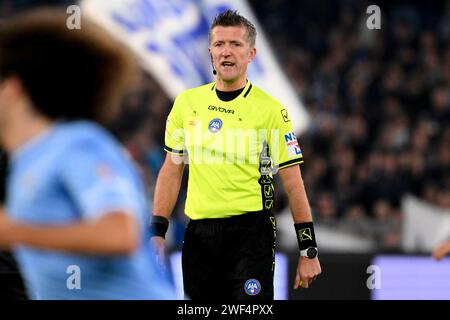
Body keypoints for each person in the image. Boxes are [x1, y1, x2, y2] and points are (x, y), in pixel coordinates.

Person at [0, 8, 176, 299]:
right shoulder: (25, 161)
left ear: (12, 88)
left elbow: (120, 233)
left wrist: (13, 231)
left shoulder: (79, 143)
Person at [150, 10, 321, 300]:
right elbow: (172, 169)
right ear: (210, 52)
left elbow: (293, 183)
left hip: (251, 236)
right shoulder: (186, 104)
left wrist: (308, 250)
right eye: (219, 44)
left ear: (251, 53)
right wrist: (157, 232)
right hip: (199, 237)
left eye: (235, 44)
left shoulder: (271, 111)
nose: (226, 52)